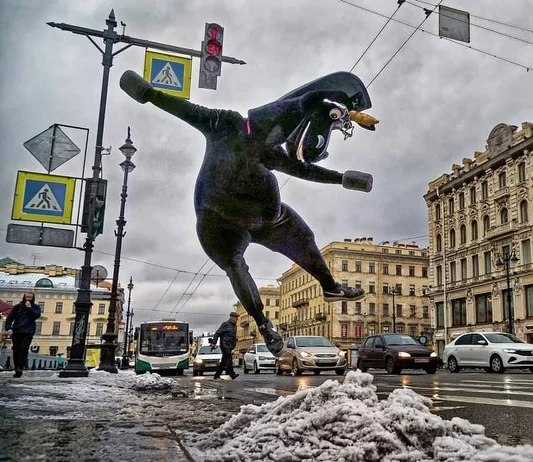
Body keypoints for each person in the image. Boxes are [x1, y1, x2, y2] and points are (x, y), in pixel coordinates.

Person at [119, 70, 378, 357]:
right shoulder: (225, 124)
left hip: (268, 219)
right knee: (235, 265)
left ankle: (330, 287)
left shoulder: (269, 150)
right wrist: (148, 93)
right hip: (219, 223)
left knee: (303, 235)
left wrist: (341, 178)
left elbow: (302, 168)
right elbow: (185, 110)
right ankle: (264, 323)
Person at [4, 291, 42, 378]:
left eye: (30, 297)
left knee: (24, 348)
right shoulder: (17, 307)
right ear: (24, 297)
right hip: (17, 330)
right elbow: (10, 318)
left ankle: (20, 367)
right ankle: (17, 368)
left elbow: (36, 315)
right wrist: (9, 328)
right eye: (27, 297)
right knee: (16, 350)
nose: (28, 299)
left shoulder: (35, 307)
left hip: (28, 331)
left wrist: (29, 308)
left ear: (33, 298)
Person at [211, 312, 240, 380]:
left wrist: (235, 341)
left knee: (223, 362)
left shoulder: (234, 326)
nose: (237, 319)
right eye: (236, 318)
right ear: (231, 317)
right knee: (229, 359)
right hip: (224, 345)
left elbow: (232, 336)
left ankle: (216, 375)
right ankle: (232, 374)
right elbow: (217, 333)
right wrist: (214, 342)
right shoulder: (225, 324)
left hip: (230, 346)